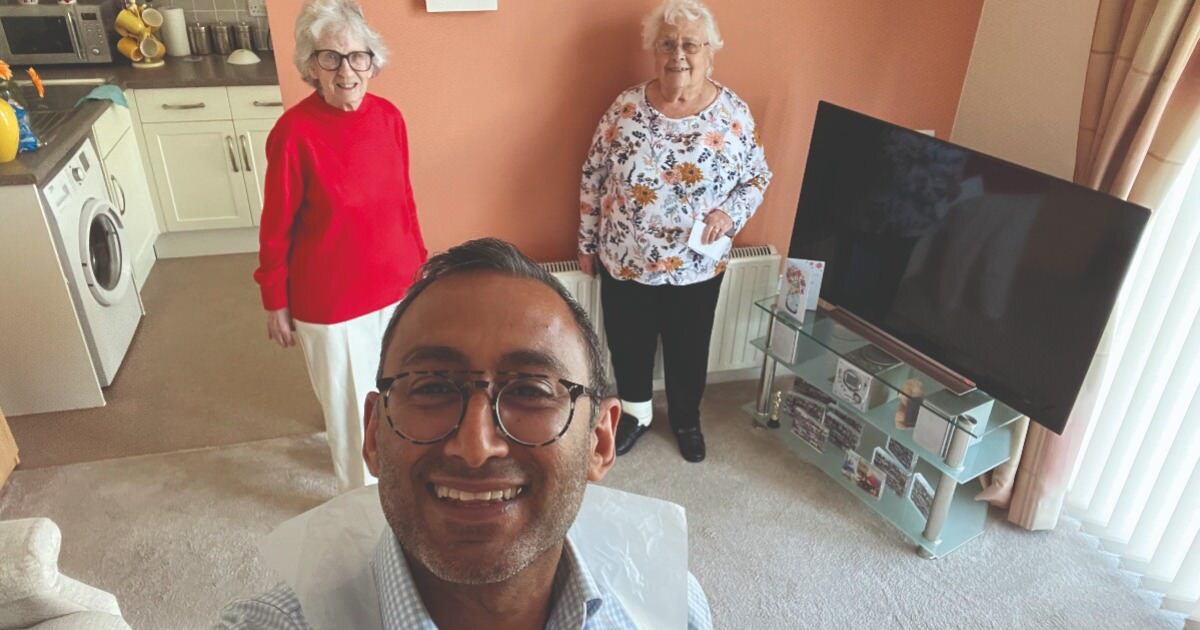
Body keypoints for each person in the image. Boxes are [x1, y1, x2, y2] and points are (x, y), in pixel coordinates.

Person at [220, 239, 713, 629]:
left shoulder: (671, 607)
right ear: (373, 432)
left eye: (532, 390)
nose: (475, 448)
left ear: (599, 441)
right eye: (432, 386)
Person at [577, 0, 771, 462]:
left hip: (697, 265)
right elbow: (592, 174)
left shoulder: (734, 114)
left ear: (710, 51)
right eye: (667, 43)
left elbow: (758, 177)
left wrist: (730, 215)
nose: (678, 54)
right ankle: (637, 414)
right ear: (653, 49)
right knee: (629, 344)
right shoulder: (625, 107)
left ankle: (686, 418)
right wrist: (585, 244)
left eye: (690, 44)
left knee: (688, 348)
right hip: (625, 257)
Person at [253, 0, 427, 493]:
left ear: (373, 60)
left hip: (398, 288)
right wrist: (275, 299)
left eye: (357, 56)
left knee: (400, 395)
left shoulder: (389, 118)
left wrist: (421, 264)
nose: (346, 70)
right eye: (330, 57)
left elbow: (403, 200)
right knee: (352, 411)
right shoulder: (293, 134)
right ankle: (361, 506)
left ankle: (401, 480)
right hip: (331, 304)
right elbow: (275, 227)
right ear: (311, 66)